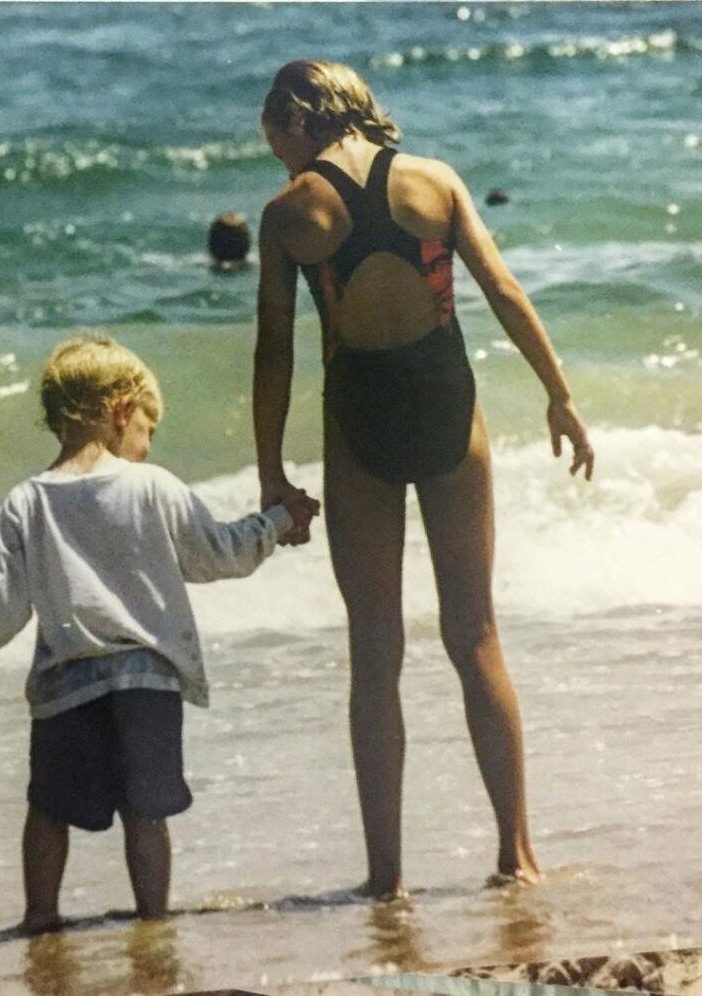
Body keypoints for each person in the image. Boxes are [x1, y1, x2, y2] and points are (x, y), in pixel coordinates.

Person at [252, 60, 594, 898]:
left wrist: (271, 473)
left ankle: (385, 878)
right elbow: (503, 290)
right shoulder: (434, 180)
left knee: (375, 653)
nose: (283, 167)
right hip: (448, 406)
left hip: (361, 418)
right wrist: (560, 395)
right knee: (475, 636)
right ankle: (517, 856)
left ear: (300, 121)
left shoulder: (291, 212)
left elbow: (275, 351)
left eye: (280, 147)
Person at [0, 337, 318, 933]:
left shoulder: (28, 500)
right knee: (145, 813)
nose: (148, 445)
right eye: (147, 428)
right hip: (146, 683)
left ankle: (40, 916)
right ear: (123, 409)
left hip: (65, 686)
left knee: (48, 810)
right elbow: (219, 554)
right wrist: (279, 521)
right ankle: (154, 920)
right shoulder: (151, 485)